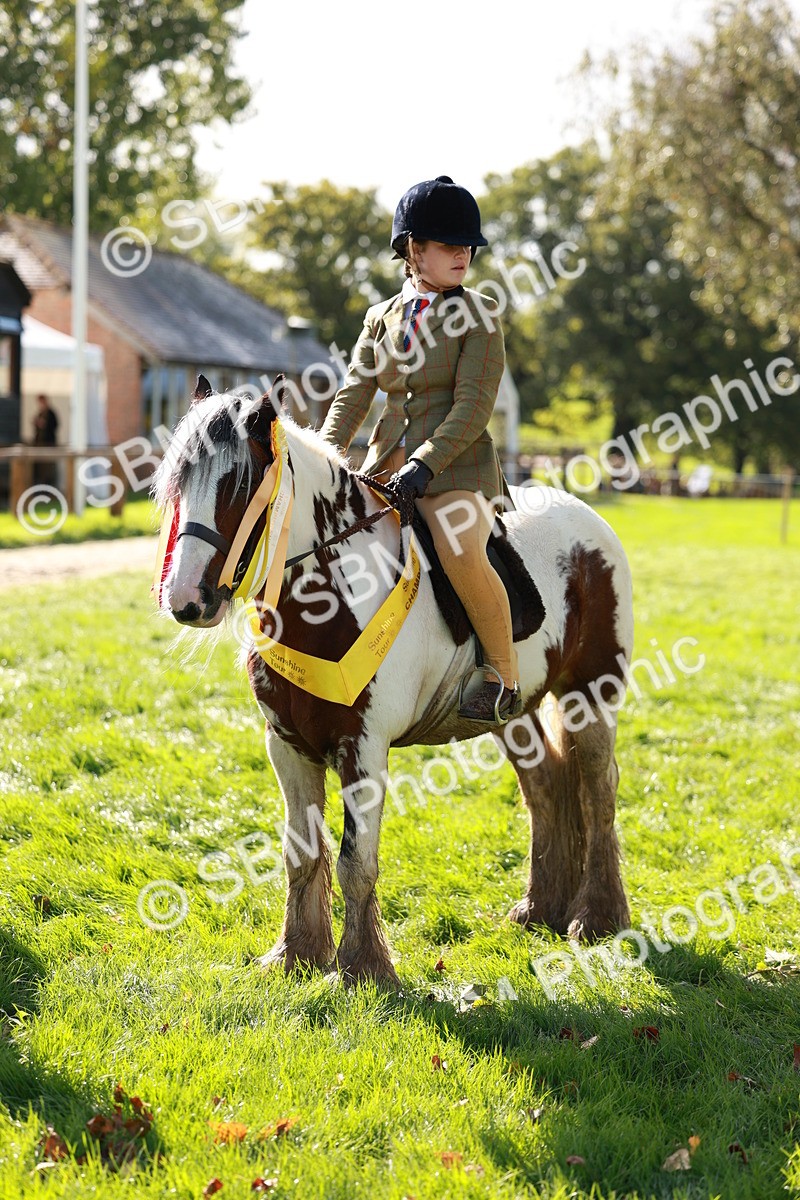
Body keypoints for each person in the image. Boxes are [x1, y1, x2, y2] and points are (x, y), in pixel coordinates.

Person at [320, 175, 521, 724]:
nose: (463, 255)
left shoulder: (480, 313)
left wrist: (423, 464)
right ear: (414, 249)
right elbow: (353, 395)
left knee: (457, 549)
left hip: (457, 471)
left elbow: (473, 407)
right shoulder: (379, 318)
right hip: (384, 466)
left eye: (468, 246)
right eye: (450, 245)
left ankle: (502, 678)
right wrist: (324, 455)